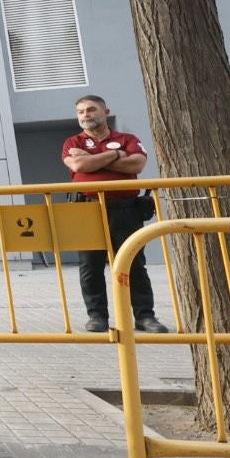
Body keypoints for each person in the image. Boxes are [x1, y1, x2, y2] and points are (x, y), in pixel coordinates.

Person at [62, 95, 168, 334]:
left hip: (125, 208)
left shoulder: (126, 139)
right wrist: (115, 155)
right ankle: (97, 317)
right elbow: (79, 166)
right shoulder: (72, 142)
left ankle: (145, 316)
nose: (86, 115)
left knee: (133, 264)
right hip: (86, 209)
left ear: (105, 111)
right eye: (80, 112)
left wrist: (94, 160)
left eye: (91, 110)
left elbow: (136, 165)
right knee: (90, 266)